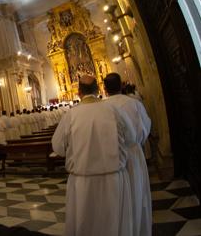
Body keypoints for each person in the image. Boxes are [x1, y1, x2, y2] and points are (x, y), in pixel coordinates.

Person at [52, 75, 136, 236]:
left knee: (85, 225)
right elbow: (131, 138)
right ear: (98, 90)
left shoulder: (70, 115)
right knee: (115, 224)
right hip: (114, 179)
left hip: (82, 183)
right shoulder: (113, 110)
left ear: (78, 92)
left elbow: (58, 148)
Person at [104, 72, 152, 236]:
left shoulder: (102, 107)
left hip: (113, 156)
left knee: (119, 199)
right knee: (138, 194)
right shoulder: (134, 104)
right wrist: (138, 143)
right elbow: (146, 126)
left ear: (105, 89)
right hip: (133, 152)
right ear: (121, 86)